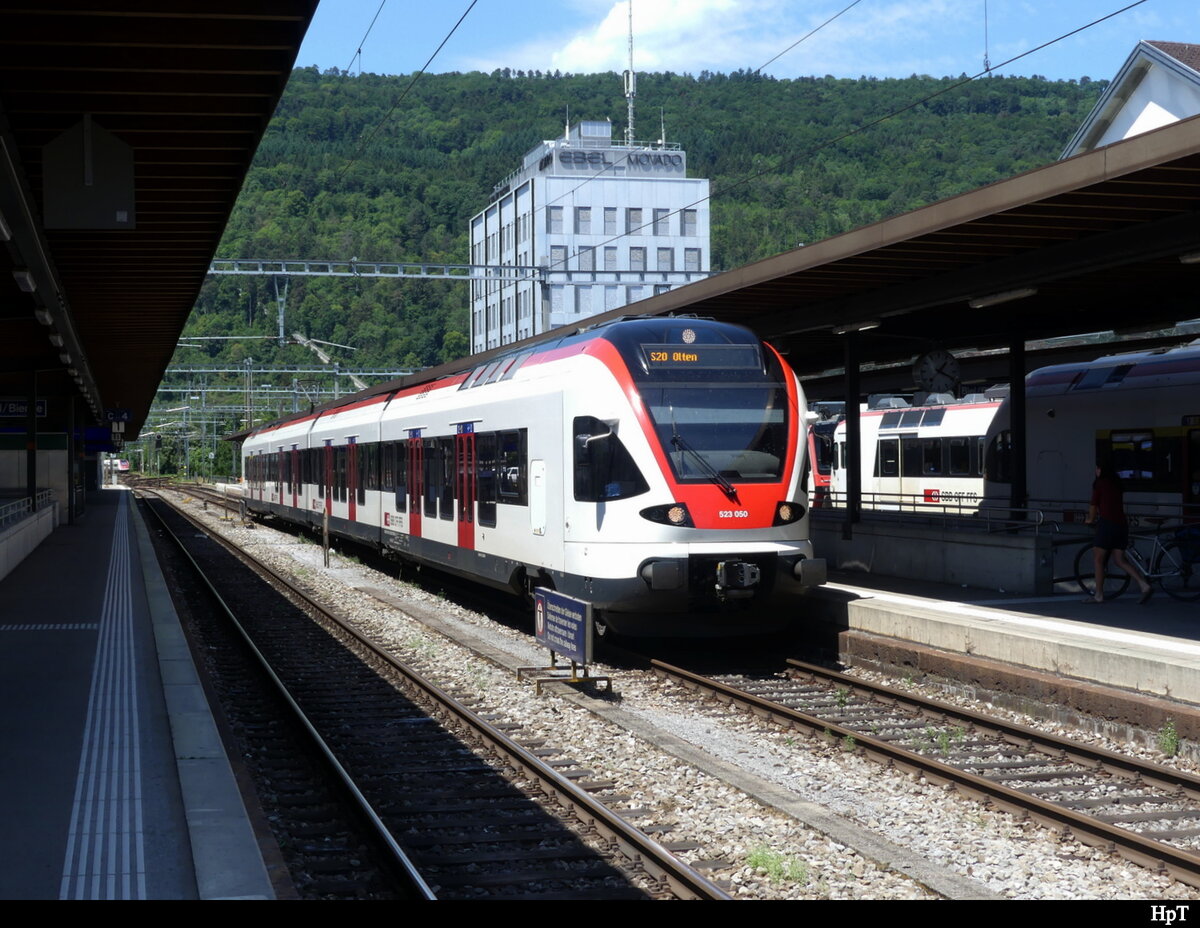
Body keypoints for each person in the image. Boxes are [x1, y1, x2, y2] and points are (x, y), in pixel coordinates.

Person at [1084, 459, 1152, 604]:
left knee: (1098, 559)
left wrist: (1090, 519)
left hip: (1107, 524)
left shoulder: (1100, 484)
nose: (1096, 471)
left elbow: (1093, 505)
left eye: (1097, 468)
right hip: (1121, 525)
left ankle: (1099, 595)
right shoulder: (1116, 484)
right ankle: (1144, 584)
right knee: (1119, 560)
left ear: (1102, 470)